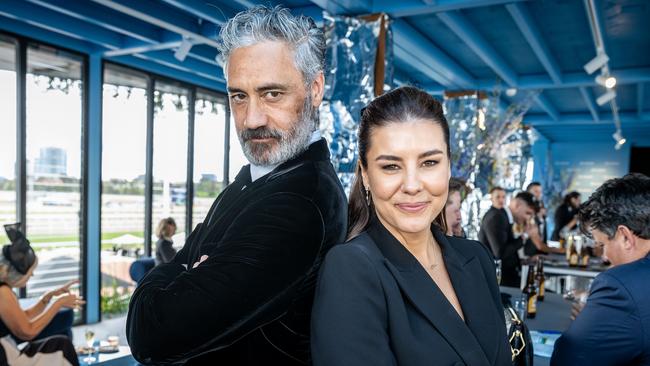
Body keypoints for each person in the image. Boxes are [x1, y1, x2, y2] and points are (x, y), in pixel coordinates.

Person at [126, 6, 347, 365]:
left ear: (315, 89)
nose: (252, 118)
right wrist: (183, 271)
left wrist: (164, 277)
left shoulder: (297, 203)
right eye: (238, 96)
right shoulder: (257, 178)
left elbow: (151, 333)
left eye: (272, 94)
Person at [311, 87, 511, 366]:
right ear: (366, 175)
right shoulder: (352, 268)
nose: (413, 186)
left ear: (449, 167)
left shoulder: (476, 257)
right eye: (391, 167)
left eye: (429, 162)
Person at [551, 173, 650, 365]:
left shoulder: (620, 286)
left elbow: (568, 360)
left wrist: (595, 325)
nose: (604, 257)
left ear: (625, 237)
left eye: (602, 244)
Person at [0, 223, 83, 366]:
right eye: (30, 272)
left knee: (61, 343)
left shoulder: (4, 289)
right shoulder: (3, 292)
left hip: (8, 351)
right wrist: (58, 304)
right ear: (18, 272)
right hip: (6, 358)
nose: (32, 275)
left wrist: (48, 297)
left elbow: (23, 317)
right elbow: (27, 331)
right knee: (63, 348)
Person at [478, 191, 535, 287]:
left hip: (507, 277)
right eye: (527, 213)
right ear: (517, 205)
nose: (528, 218)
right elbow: (500, 253)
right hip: (499, 281)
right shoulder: (497, 217)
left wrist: (522, 261)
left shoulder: (503, 217)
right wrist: (524, 236)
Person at [524, 182, 563, 255]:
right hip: (527, 255)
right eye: (536, 191)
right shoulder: (526, 212)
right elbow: (538, 244)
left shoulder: (541, 207)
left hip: (539, 253)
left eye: (540, 192)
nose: (538, 194)